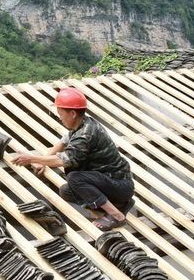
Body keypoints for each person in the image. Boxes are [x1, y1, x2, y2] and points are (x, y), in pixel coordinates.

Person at [11, 87, 135, 231]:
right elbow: (64, 142)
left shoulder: (85, 135)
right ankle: (120, 204)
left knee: (75, 178)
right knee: (66, 191)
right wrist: (42, 160)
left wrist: (32, 158)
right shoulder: (83, 124)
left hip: (119, 184)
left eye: (61, 114)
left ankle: (117, 215)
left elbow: (64, 160)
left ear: (73, 113)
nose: (60, 118)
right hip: (108, 183)